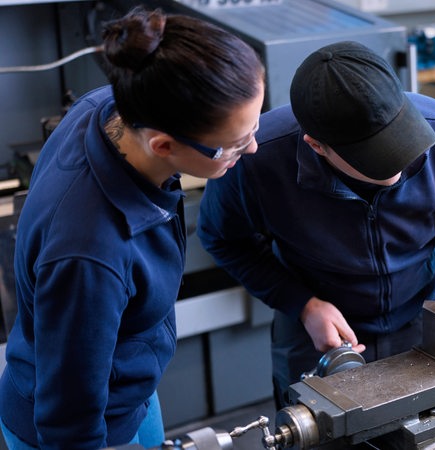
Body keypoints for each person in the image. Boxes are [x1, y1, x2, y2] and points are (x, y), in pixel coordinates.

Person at [0, 6, 265, 449]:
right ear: (163, 144)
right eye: (234, 146)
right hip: (77, 423)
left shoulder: (108, 108)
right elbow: (69, 417)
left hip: (126, 388)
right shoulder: (91, 253)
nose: (253, 147)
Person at [197, 40, 435, 407]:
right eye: (373, 155)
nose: (397, 165)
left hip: (422, 314)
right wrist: (304, 305)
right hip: (316, 331)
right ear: (317, 146)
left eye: (400, 139)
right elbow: (224, 240)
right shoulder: (258, 161)